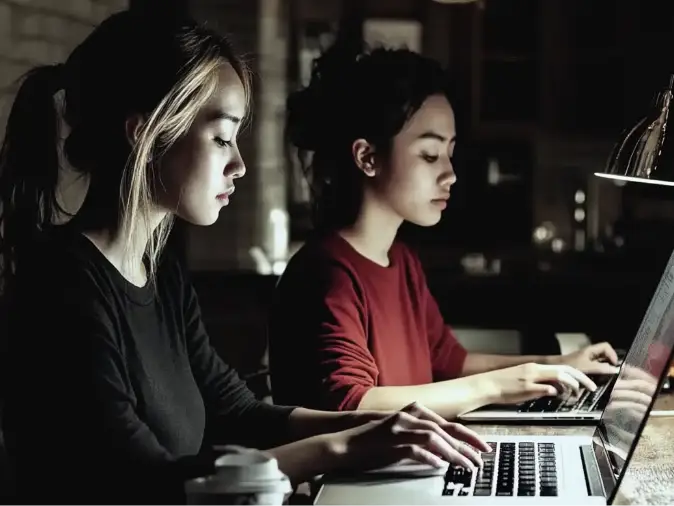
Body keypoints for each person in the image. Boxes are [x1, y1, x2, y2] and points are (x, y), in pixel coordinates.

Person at [0, 11, 490, 503]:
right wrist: (345, 446)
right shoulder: (63, 289)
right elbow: (146, 483)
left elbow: (237, 413)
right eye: (221, 138)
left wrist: (379, 425)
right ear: (145, 132)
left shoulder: (159, 271)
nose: (239, 165)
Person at [268, 42, 621, 418]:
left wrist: (558, 364)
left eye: (450, 153)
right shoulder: (328, 274)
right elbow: (351, 404)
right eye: (429, 155)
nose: (450, 174)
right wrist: (498, 387)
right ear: (367, 157)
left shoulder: (401, 261)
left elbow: (449, 362)